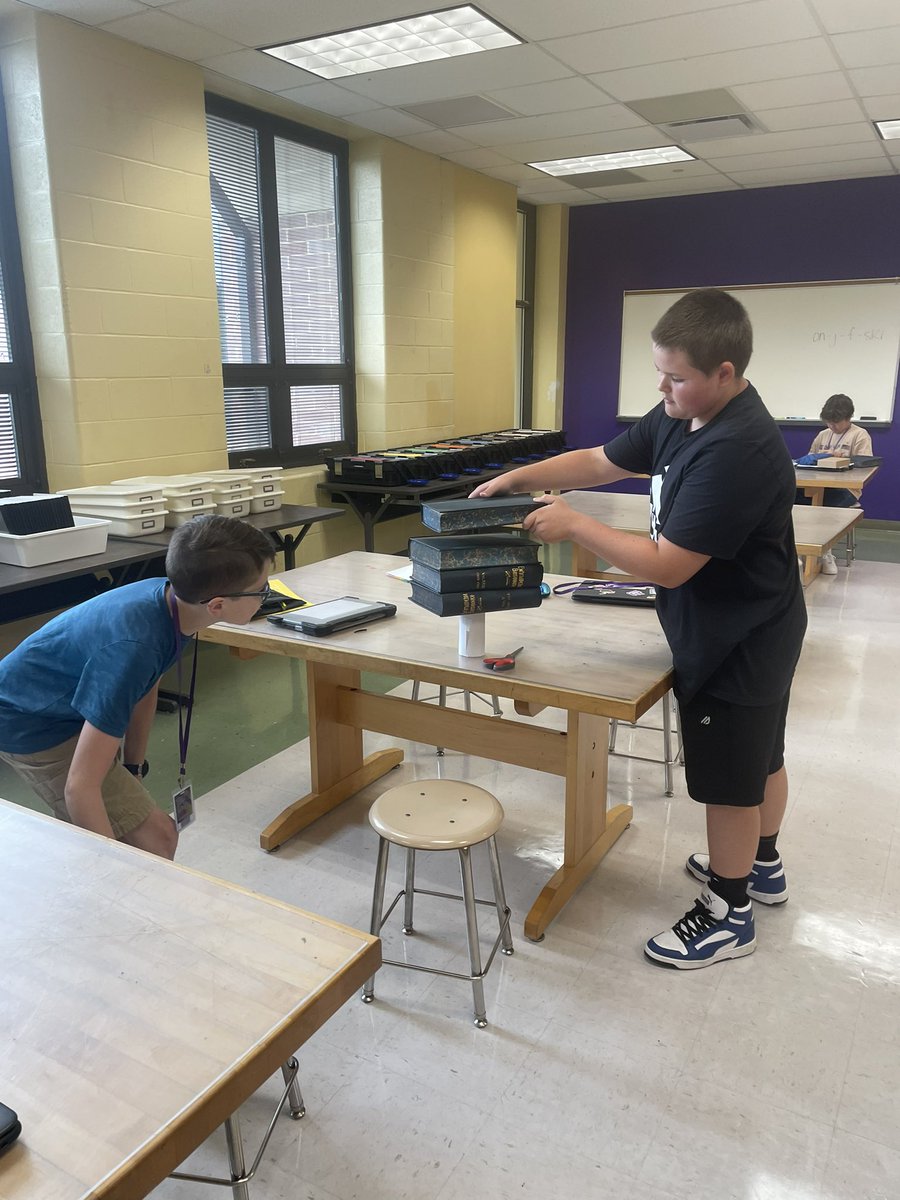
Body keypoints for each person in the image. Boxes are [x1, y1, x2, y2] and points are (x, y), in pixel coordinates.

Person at [472, 287, 807, 970]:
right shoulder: (684, 414)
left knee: (730, 781)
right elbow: (602, 460)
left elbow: (671, 566)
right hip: (748, 621)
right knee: (761, 755)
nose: (663, 387)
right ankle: (762, 868)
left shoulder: (736, 446)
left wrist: (575, 525)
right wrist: (518, 477)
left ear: (725, 373)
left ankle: (729, 910)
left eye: (676, 376)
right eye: (660, 371)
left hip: (738, 638)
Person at [0, 514, 275, 859]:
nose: (267, 594)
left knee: (114, 825)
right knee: (158, 839)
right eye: (262, 589)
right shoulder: (135, 648)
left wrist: (133, 767)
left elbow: (146, 685)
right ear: (217, 605)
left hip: (56, 703)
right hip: (31, 724)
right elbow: (80, 787)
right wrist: (118, 865)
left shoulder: (171, 603)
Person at [795, 394, 873, 572]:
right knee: (792, 498)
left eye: (836, 423)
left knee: (821, 506)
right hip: (817, 486)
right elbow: (810, 458)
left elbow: (865, 464)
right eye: (829, 422)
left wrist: (841, 458)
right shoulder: (823, 435)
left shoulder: (859, 435)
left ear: (848, 418)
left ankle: (824, 552)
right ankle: (800, 550)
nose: (832, 426)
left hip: (845, 490)